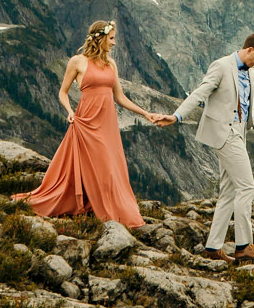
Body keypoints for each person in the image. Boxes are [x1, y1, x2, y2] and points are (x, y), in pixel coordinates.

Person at [26, 20, 165, 228]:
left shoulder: (111, 64)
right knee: (94, 167)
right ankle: (97, 209)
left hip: (107, 123)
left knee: (111, 167)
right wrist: (70, 112)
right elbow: (62, 92)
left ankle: (112, 210)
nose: (115, 43)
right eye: (111, 39)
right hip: (85, 121)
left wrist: (146, 113)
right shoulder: (77, 61)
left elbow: (120, 97)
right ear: (99, 38)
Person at [166, 32, 254, 261]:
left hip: (239, 131)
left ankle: (213, 248)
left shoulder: (247, 71)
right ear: (250, 50)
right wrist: (177, 116)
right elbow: (200, 92)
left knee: (230, 190)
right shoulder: (222, 66)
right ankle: (244, 245)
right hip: (226, 132)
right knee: (247, 187)